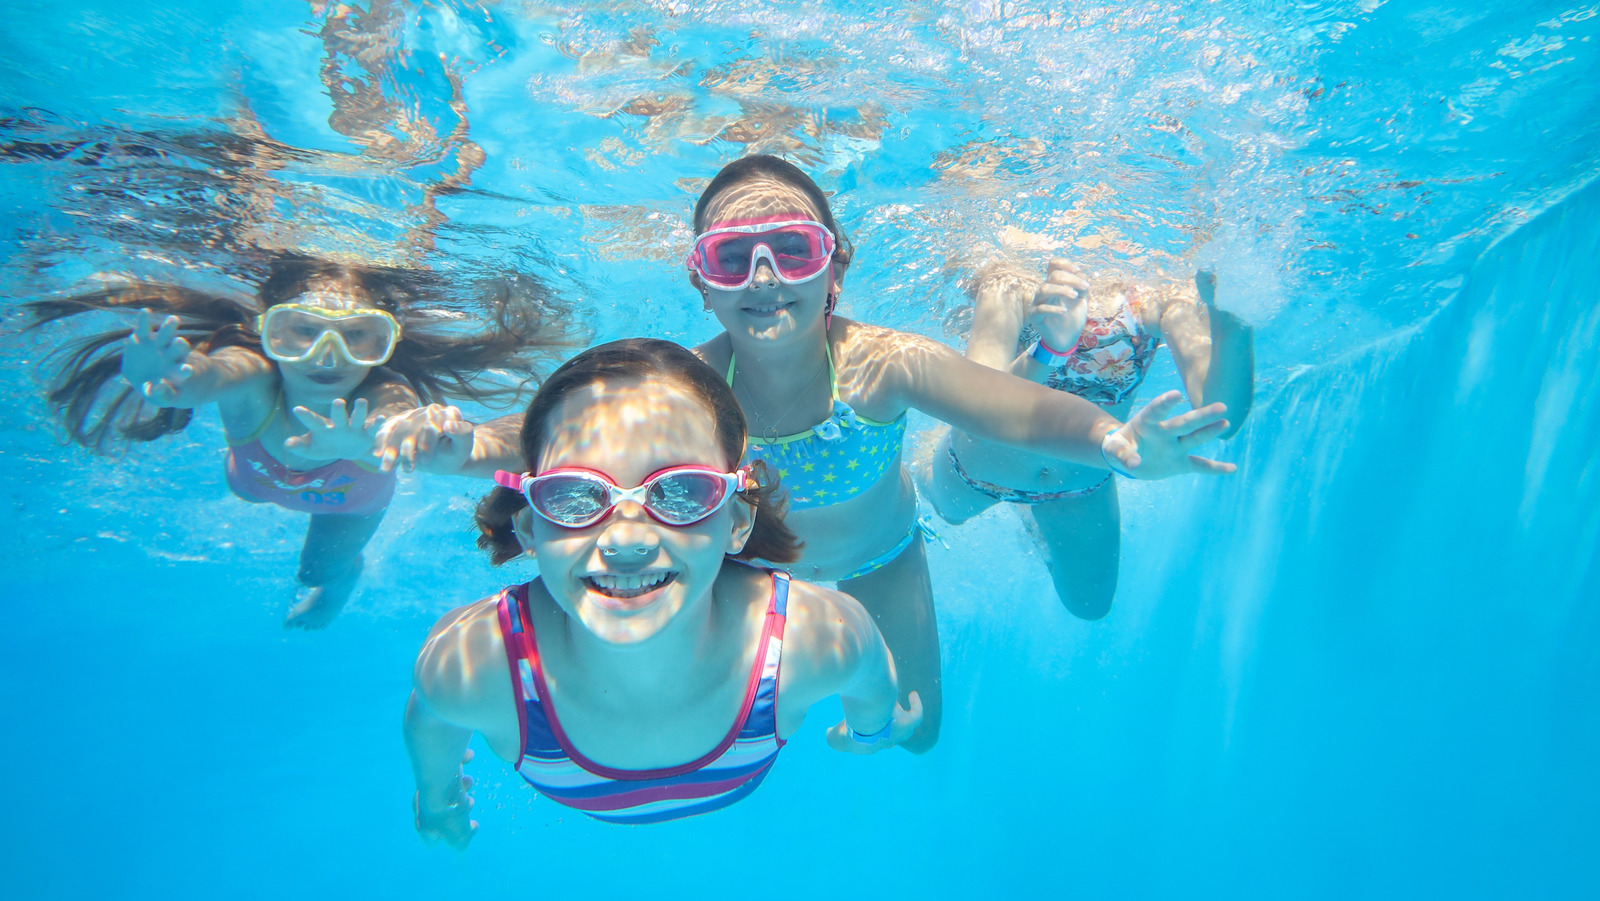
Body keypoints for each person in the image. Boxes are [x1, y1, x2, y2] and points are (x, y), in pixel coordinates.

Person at [383, 155, 1237, 752]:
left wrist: (1112, 441)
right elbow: (573, 438)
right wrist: (461, 448)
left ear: (834, 269)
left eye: (791, 250)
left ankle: (1015, 464)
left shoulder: (881, 365)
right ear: (702, 282)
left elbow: (1011, 408)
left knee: (917, 730)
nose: (762, 275)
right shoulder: (692, 387)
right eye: (732, 258)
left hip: (882, 556)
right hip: (745, 577)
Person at [403, 339, 920, 846]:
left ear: (738, 520)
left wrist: (871, 730)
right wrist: (436, 800)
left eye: (680, 491)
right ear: (531, 528)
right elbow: (430, 723)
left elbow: (872, 674)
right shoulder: (471, 665)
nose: (626, 540)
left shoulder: (818, 639)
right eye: (576, 495)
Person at [27, 253, 566, 628]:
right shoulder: (253, 374)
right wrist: (173, 377)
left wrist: (385, 440)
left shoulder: (384, 392)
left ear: (386, 344)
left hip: (348, 506)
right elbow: (210, 375)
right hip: (254, 482)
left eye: (359, 336)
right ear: (267, 331)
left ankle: (338, 586)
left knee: (318, 569)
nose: (327, 356)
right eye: (301, 332)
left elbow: (393, 423)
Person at [918, 260, 1255, 620]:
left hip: (1080, 485)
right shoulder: (1010, 282)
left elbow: (1222, 418)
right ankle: (925, 448)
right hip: (977, 470)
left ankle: (1033, 517)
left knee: (1089, 606)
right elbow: (973, 410)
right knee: (946, 513)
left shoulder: (1162, 296)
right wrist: (1050, 349)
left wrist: (1232, 321)